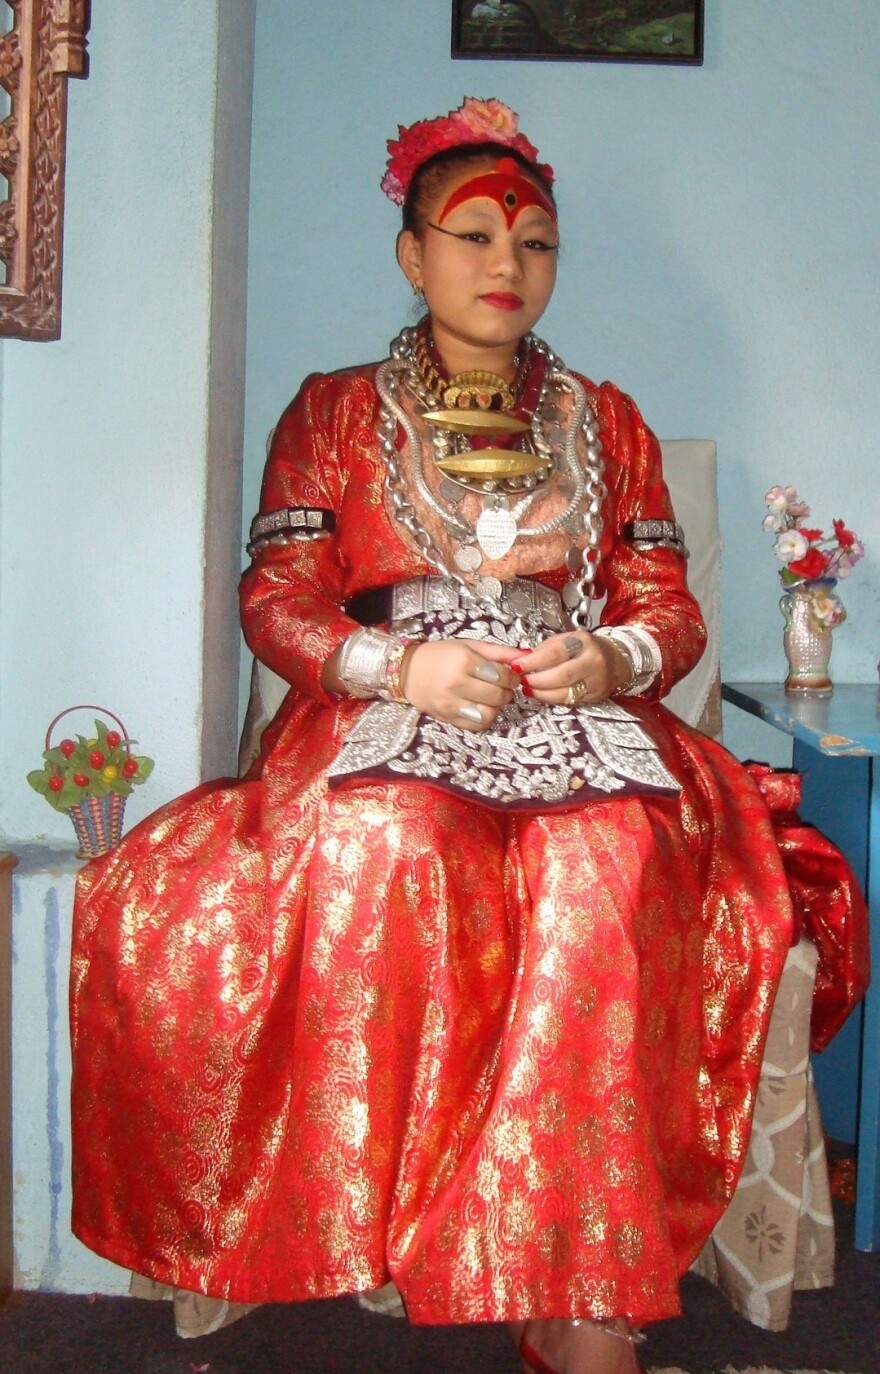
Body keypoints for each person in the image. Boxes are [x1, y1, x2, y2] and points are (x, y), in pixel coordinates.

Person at [70, 97, 795, 1374]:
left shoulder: (608, 419)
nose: (507, 268)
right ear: (412, 255)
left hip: (575, 716)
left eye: (535, 244)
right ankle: (400, 1228)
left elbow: (662, 607)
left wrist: (610, 656)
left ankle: (572, 1284)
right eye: (471, 237)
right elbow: (277, 602)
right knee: (392, 845)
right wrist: (399, 662)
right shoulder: (333, 410)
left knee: (607, 867)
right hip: (387, 708)